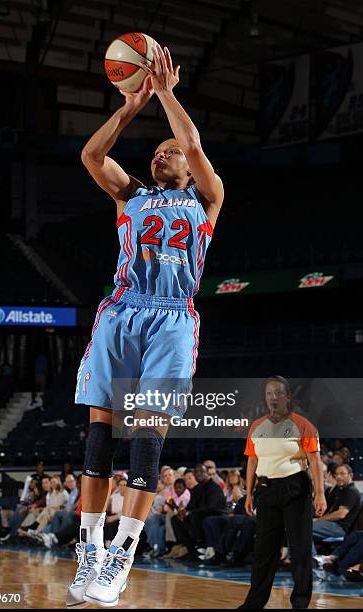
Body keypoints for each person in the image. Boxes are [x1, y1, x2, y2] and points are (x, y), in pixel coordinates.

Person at [68, 41, 224, 608]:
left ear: (186, 165)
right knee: (100, 433)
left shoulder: (207, 197)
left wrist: (163, 92)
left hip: (172, 319)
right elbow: (91, 156)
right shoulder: (132, 195)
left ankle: (121, 557)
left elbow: (192, 142)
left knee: (146, 439)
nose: (162, 156)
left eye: (168, 152)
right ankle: (89, 550)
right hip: (122, 309)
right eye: (155, 153)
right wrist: (129, 108)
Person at [238, 375, 327, 610]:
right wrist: (249, 494)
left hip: (295, 487)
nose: (273, 397)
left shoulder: (303, 425)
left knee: (299, 549)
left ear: (288, 397)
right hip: (266, 490)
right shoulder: (256, 427)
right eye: (269, 393)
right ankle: (254, 603)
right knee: (264, 551)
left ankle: (300, 603)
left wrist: (320, 494)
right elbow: (252, 461)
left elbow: (315, 462)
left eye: (278, 392)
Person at [312, 463, 361, 549]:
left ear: (351, 475)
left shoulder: (351, 492)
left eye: (342, 474)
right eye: (337, 474)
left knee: (305, 528)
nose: (338, 476)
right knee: (302, 528)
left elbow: (340, 514)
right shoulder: (342, 490)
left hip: (339, 528)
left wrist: (318, 520)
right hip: (333, 525)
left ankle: (310, 559)